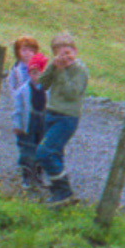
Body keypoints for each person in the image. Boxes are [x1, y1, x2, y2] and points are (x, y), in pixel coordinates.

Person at [35, 33, 90, 208]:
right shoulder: (56, 65)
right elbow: (42, 84)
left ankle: (64, 191)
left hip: (67, 117)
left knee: (44, 152)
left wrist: (62, 71)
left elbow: (72, 93)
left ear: (75, 51)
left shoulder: (80, 70)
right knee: (56, 153)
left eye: (68, 52)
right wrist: (52, 67)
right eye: (60, 54)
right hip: (51, 113)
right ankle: (58, 193)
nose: (65, 57)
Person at [11, 52, 49, 193]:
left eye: (40, 73)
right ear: (29, 73)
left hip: (42, 121)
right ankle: (26, 175)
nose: (36, 76)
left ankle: (38, 172)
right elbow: (18, 109)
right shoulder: (23, 90)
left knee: (41, 147)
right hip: (28, 122)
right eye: (33, 72)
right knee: (27, 148)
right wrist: (17, 125)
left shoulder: (48, 90)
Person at [7, 35, 41, 100]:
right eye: (24, 50)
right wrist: (16, 96)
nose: (27, 53)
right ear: (18, 52)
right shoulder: (16, 68)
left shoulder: (39, 67)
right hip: (21, 98)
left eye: (31, 50)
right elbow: (11, 85)